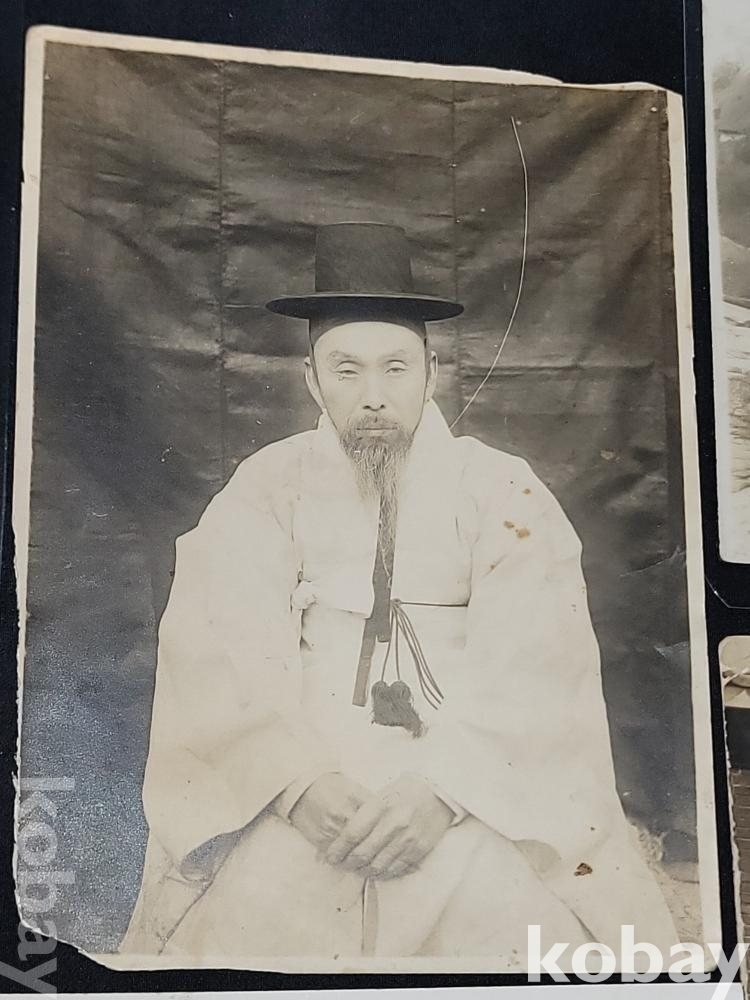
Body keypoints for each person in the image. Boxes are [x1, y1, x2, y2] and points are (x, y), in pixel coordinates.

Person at [121, 223, 677, 967]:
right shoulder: (269, 485)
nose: (375, 398)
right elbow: (215, 643)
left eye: (395, 368)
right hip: (307, 759)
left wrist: (444, 792)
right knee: (261, 901)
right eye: (346, 371)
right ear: (312, 380)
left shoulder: (499, 486)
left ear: (432, 372)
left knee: (500, 905)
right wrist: (295, 786)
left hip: (470, 767)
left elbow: (540, 657)